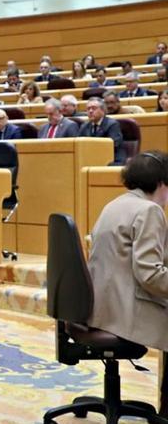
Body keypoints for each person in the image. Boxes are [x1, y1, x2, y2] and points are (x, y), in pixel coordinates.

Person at [88, 151, 168, 356]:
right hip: (125, 314)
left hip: (101, 310)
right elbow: (149, 276)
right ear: (161, 183)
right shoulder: (149, 210)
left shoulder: (114, 204)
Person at [79, 97, 125, 165]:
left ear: (103, 110)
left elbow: (114, 145)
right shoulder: (84, 126)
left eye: (94, 108)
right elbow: (79, 144)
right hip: (92, 158)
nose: (90, 111)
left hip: (113, 159)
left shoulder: (112, 124)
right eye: (88, 109)